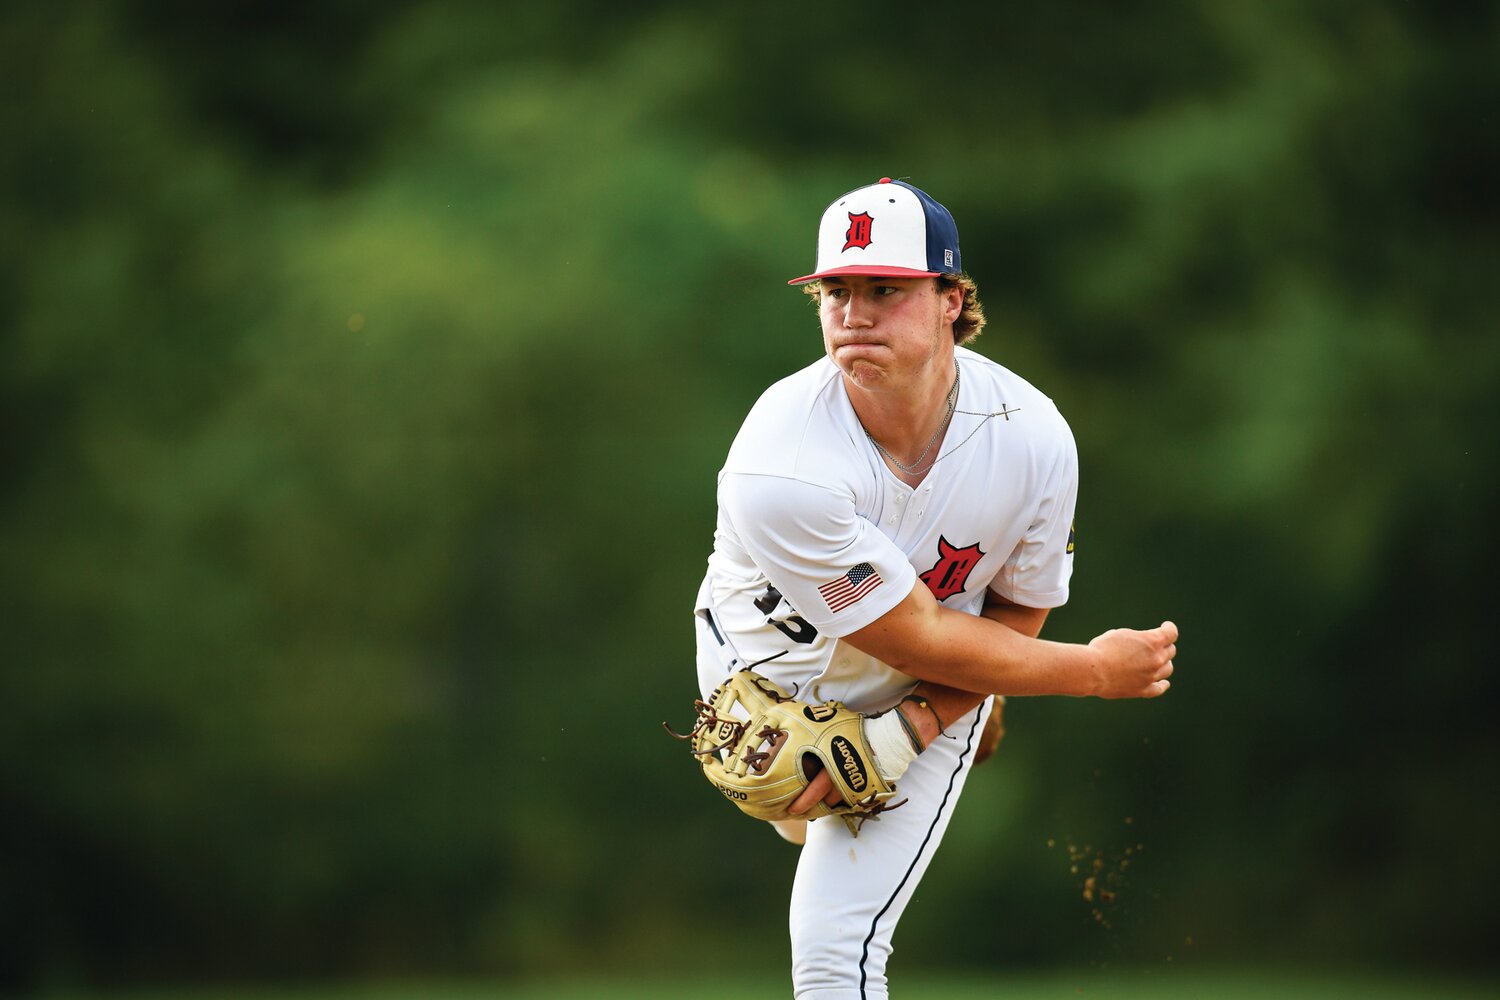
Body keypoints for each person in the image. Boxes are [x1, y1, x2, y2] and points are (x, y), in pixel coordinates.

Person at [691, 177, 1177, 998]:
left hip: (932, 679)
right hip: (767, 668)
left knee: (832, 952)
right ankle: (826, 798)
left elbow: (1019, 605)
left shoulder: (1033, 440)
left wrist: (929, 719)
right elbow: (914, 632)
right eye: (836, 290)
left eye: (886, 288)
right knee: (790, 806)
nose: (854, 312)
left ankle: (948, 724)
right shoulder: (782, 462)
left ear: (952, 298)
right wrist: (1093, 672)